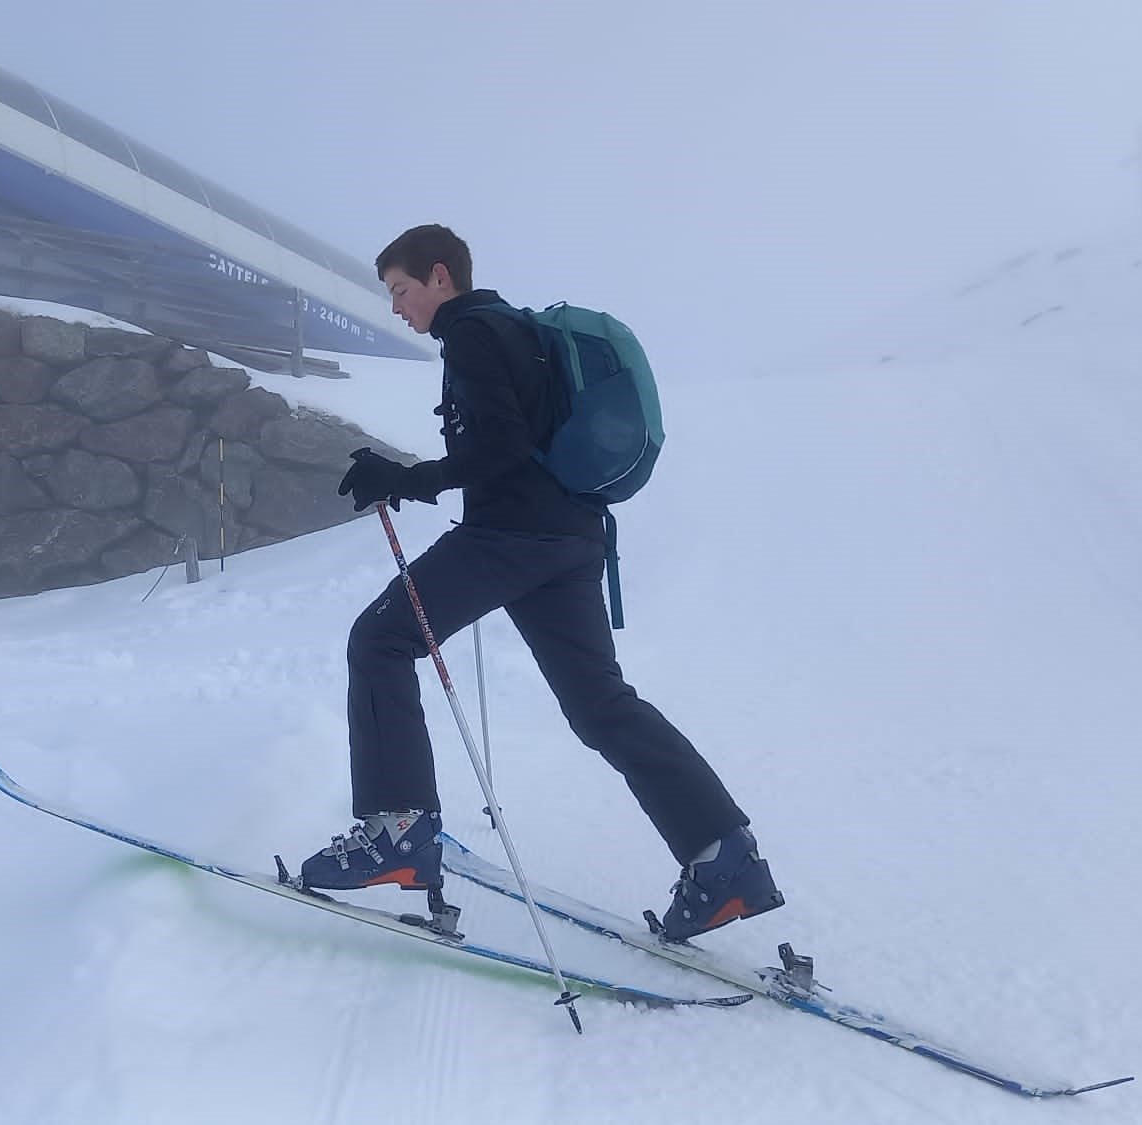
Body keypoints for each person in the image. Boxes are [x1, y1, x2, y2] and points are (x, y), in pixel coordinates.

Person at [294, 224, 783, 941]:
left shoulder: (472, 333)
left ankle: (396, 830)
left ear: (439, 276)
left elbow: (501, 444)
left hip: (514, 537)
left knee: (380, 637)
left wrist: (404, 478)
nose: (397, 306)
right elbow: (514, 439)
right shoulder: (516, 332)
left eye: (401, 290)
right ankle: (724, 857)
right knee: (600, 705)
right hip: (570, 541)